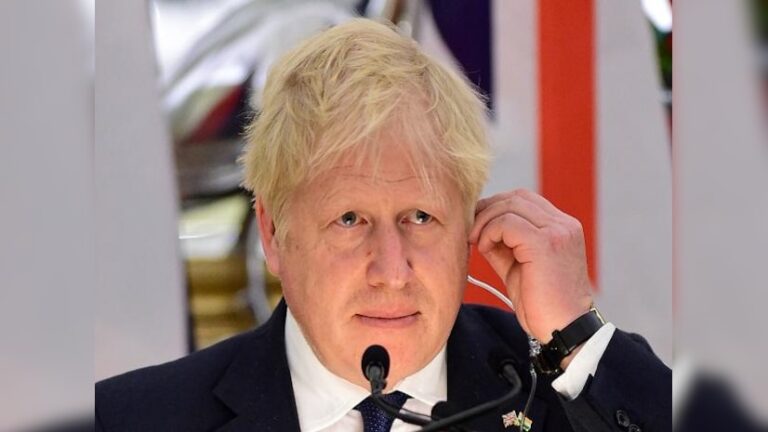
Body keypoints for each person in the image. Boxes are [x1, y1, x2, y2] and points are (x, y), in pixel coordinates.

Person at [96, 19, 671, 432]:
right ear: (272, 234)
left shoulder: (560, 393)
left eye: (420, 217)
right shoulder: (131, 418)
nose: (392, 272)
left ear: (469, 223)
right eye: (350, 220)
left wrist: (578, 337)